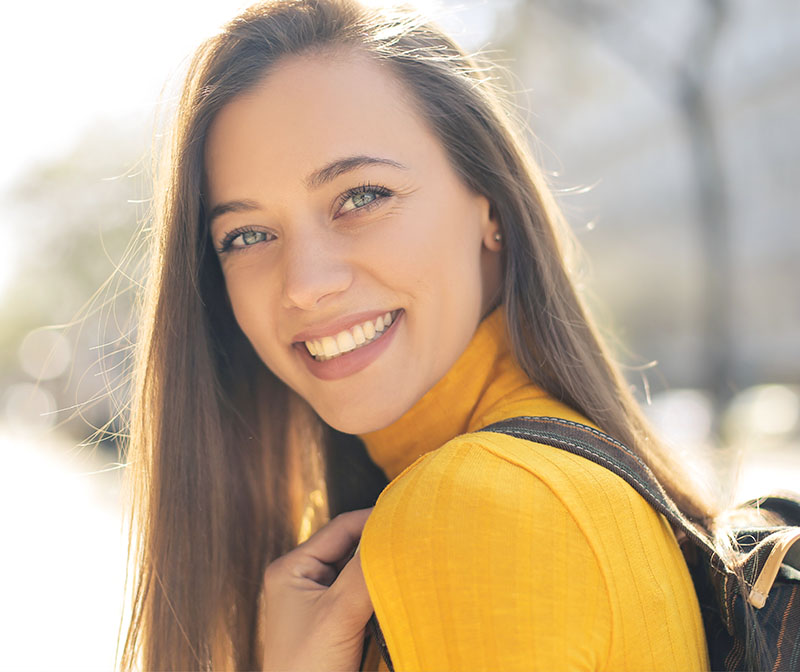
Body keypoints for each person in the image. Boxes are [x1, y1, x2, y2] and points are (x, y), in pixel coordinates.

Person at [120, 0, 719, 669]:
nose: (304, 283)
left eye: (362, 196)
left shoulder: (477, 508)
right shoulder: (559, 474)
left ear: (488, 207)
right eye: (249, 235)